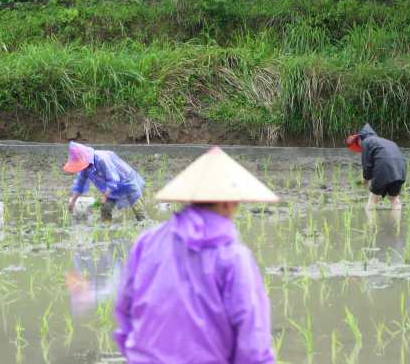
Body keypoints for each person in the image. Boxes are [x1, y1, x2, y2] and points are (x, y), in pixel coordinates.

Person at [113, 147, 277, 364]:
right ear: (230, 202)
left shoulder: (147, 242)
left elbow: (125, 311)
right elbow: (252, 341)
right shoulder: (232, 257)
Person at [64, 141, 146, 221]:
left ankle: (145, 224)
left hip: (126, 182)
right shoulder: (84, 168)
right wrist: (73, 201)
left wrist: (105, 195)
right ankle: (107, 230)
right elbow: (80, 184)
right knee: (105, 209)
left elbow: (113, 179)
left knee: (138, 209)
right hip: (110, 189)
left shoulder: (101, 159)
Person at [346, 123, 406, 210]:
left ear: (359, 138)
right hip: (401, 168)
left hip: (384, 167)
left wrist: (365, 181)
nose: (359, 146)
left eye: (357, 143)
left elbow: (367, 166)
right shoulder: (385, 141)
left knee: (373, 199)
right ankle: (396, 223)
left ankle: (370, 223)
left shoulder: (366, 142)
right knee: (394, 199)